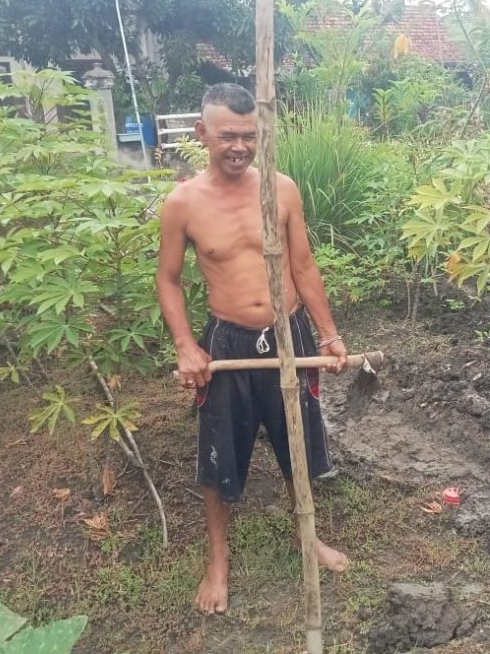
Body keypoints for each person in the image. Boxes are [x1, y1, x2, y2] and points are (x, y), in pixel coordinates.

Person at [156, 83, 349, 615]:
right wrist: (185, 345)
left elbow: (304, 267)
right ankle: (217, 563)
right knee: (221, 457)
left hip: (289, 336)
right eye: (227, 136)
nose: (239, 147)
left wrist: (329, 334)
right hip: (230, 343)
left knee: (298, 445)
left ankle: (307, 537)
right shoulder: (183, 203)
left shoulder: (281, 189)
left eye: (249, 135)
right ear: (202, 135)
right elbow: (168, 280)